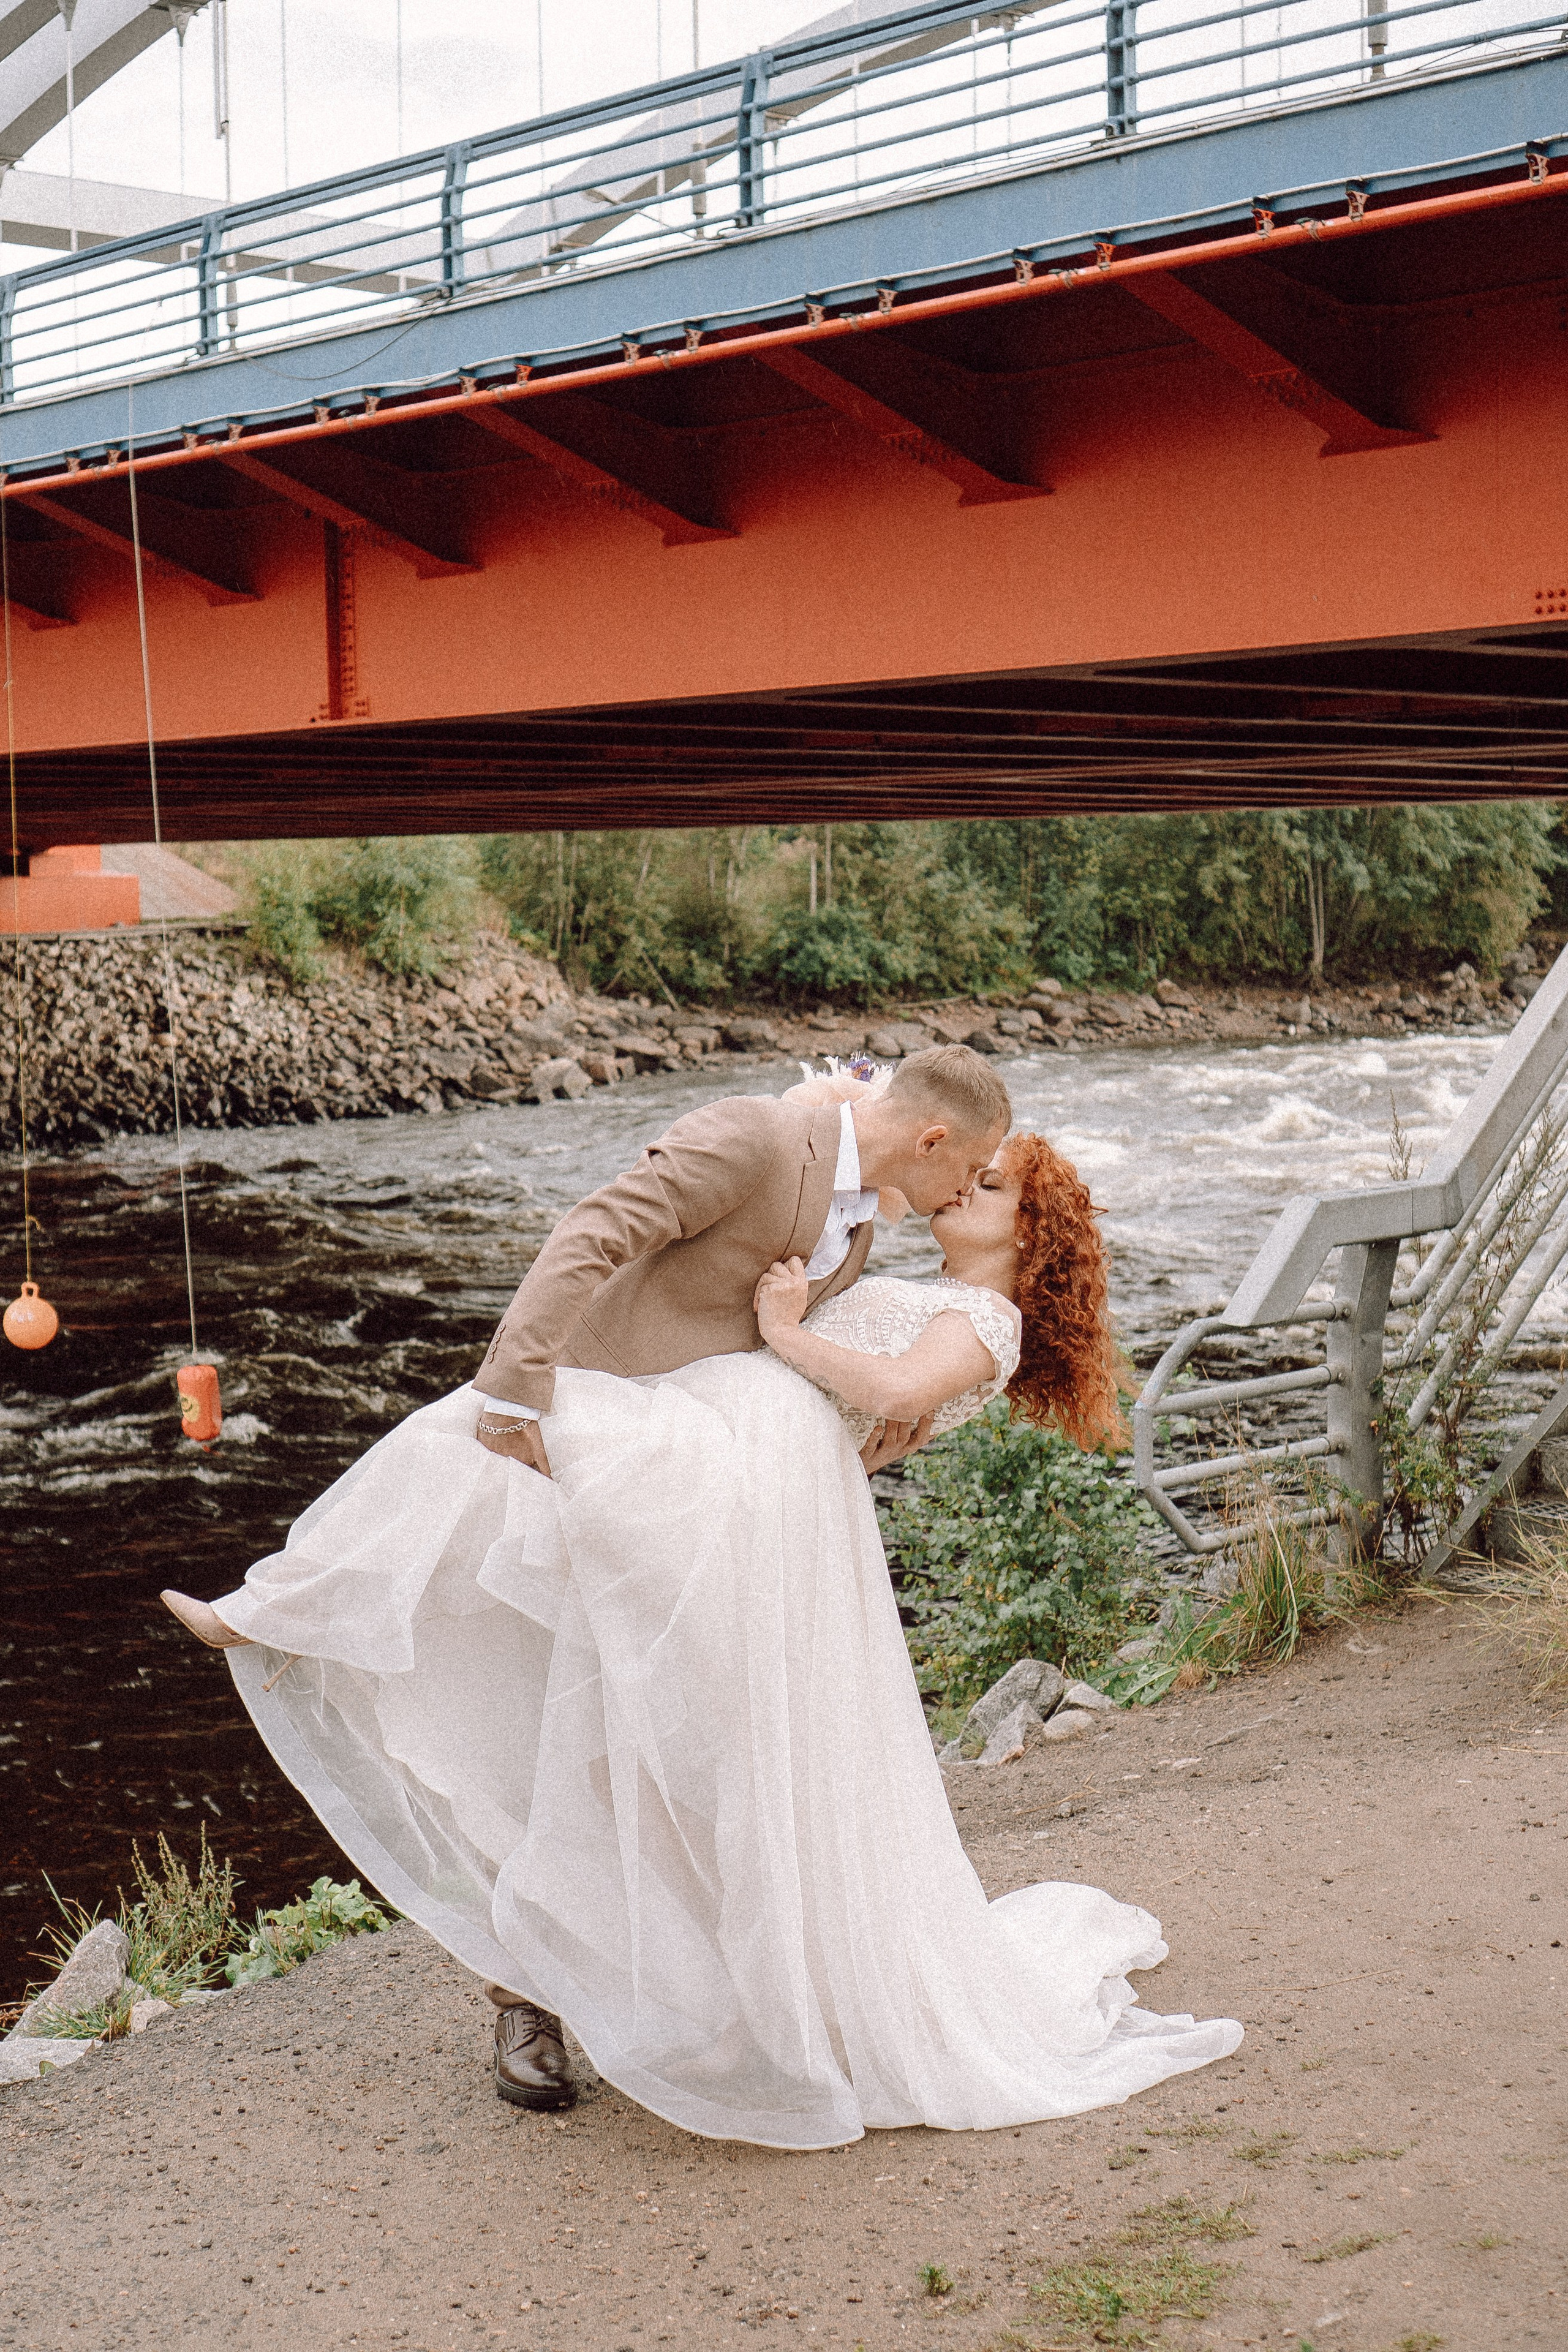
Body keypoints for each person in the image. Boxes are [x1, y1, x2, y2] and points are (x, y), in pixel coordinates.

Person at [165, 1058, 1241, 2146]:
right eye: (972, 1168)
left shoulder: (937, 1281)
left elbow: (893, 1387)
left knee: (675, 1744)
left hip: (741, 1500)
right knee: (498, 1507)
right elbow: (611, 1230)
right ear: (928, 1138)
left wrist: (802, 1351)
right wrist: (520, 1381)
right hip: (693, 1464)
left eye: (990, 1186)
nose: (965, 1191)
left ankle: (684, 1997)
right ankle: (297, 1613)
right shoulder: (785, 1148)